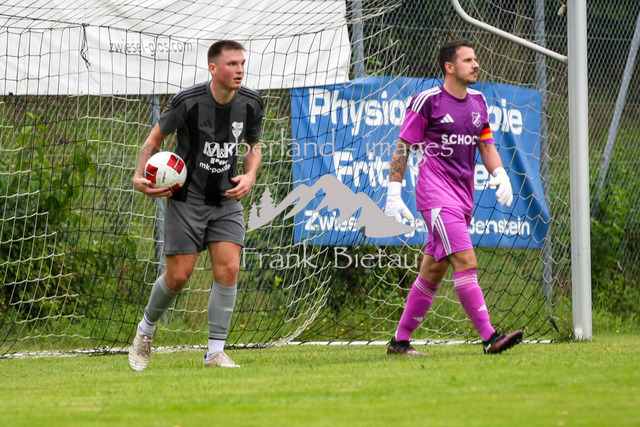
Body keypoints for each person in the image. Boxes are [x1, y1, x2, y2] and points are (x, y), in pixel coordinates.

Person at [129, 40, 264, 370]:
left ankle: (215, 352)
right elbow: (154, 140)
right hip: (186, 199)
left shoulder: (251, 102)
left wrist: (250, 175)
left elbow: (254, 145)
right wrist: (139, 175)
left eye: (242, 63)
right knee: (178, 277)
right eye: (232, 64)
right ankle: (145, 331)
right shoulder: (187, 102)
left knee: (229, 268)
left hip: (226, 199)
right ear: (213, 68)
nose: (240, 70)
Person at [384, 39, 523, 355]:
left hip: (463, 199)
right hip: (436, 197)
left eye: (475, 59)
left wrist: (500, 174)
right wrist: (394, 193)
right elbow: (403, 147)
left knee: (433, 270)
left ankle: (399, 342)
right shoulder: (428, 101)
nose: (476, 64)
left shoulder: (479, 102)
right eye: (468, 60)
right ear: (449, 67)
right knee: (466, 261)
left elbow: (486, 145)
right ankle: (490, 338)